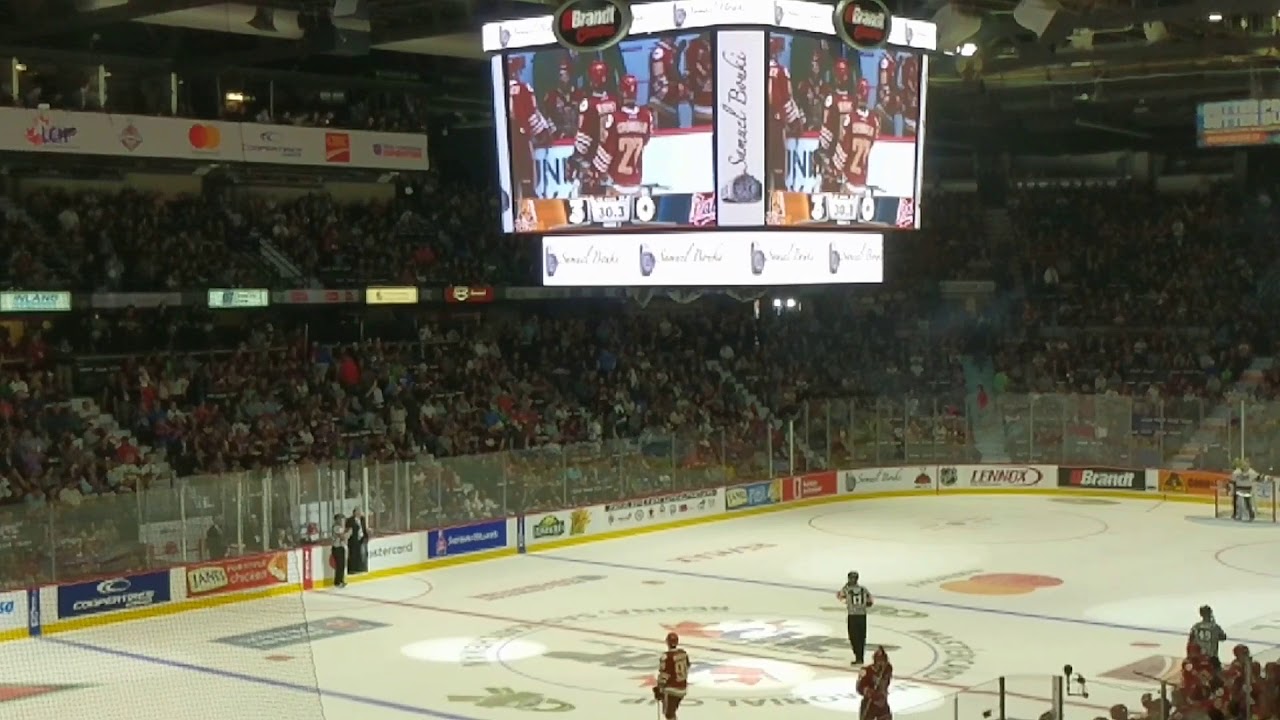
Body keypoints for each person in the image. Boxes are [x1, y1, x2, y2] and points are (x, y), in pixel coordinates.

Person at [837, 570, 873, 665]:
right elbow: (870, 602)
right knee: (861, 637)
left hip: (853, 616)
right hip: (862, 616)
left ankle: (858, 657)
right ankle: (860, 657)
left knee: (853, 637)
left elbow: (839, 596)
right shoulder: (863, 589)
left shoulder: (847, 590)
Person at [653, 631, 689, 720]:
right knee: (672, 712)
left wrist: (659, 689)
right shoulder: (683, 653)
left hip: (672, 690)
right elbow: (687, 666)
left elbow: (664, 675)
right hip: (683, 687)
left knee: (669, 714)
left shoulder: (666, 657)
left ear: (667, 642)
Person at [858, 646, 893, 720]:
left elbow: (886, 680)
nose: (882, 663)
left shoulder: (888, 668)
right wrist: (869, 692)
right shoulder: (865, 671)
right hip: (869, 703)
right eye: (880, 661)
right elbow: (859, 687)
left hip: (882, 702)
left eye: (884, 661)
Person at [346, 508, 369, 574]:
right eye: (358, 511)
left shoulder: (362, 519)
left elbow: (364, 528)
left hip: (362, 539)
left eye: (360, 511)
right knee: (354, 555)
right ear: (355, 513)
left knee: (363, 554)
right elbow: (349, 530)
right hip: (353, 540)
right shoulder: (350, 520)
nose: (360, 513)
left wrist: (366, 537)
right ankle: (353, 569)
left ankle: (362, 568)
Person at [331, 512, 350, 588]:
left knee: (341, 565)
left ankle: (341, 580)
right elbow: (342, 537)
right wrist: (348, 533)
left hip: (340, 547)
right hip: (337, 548)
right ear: (337, 520)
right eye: (341, 519)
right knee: (339, 565)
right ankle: (338, 582)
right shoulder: (336, 527)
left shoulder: (340, 527)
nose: (342, 520)